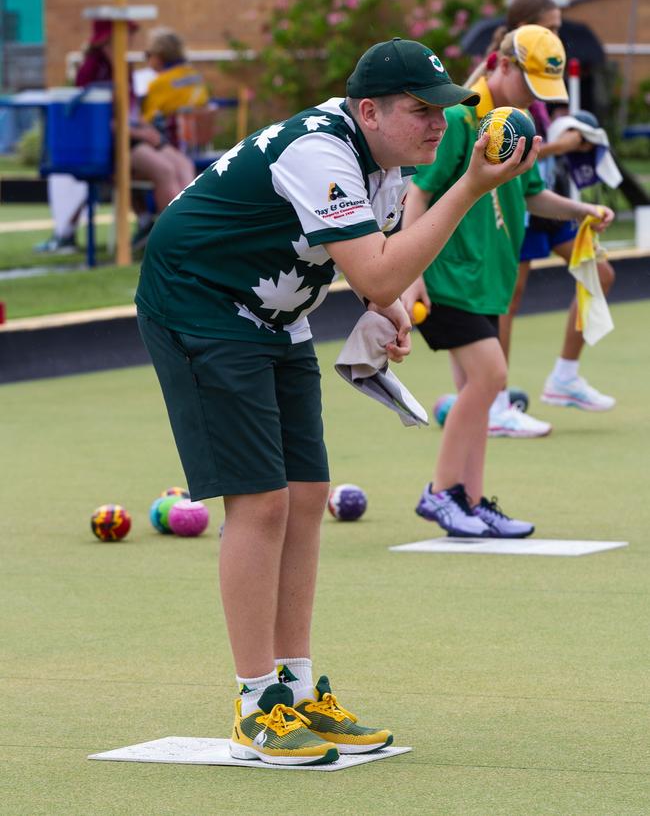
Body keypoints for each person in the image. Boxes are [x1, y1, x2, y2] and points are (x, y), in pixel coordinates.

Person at [135, 37, 539, 766]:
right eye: (421, 111)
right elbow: (381, 274)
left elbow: (373, 267)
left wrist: (380, 304)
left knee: (307, 489)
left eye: (443, 110)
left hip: (271, 311)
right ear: (368, 111)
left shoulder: (383, 159)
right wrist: (470, 188)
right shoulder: (320, 150)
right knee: (259, 501)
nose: (439, 126)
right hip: (197, 302)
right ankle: (256, 705)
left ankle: (292, 689)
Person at [401, 25, 614, 539]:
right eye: (530, 84)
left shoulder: (516, 125)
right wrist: (409, 275)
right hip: (448, 273)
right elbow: (417, 193)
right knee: (491, 378)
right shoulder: (458, 119)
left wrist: (584, 209)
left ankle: (471, 502)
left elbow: (535, 195)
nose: (537, 100)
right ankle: (441, 494)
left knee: (480, 391)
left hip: (487, 279)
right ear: (502, 65)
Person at [472, 0, 616, 424]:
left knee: (600, 272)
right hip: (515, 199)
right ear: (523, 28)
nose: (556, 35)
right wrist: (563, 143)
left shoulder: (543, 69)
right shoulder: (499, 72)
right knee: (507, 301)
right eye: (549, 27)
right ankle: (495, 401)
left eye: (558, 27)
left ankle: (564, 377)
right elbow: (499, 145)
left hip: (540, 188)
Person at [78, 19, 196, 249]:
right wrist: (140, 133)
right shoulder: (92, 69)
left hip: (133, 135)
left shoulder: (124, 68)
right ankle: (174, 239)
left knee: (184, 165)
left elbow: (131, 112)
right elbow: (96, 121)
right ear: (107, 39)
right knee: (165, 170)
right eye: (125, 35)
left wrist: (145, 129)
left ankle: (193, 228)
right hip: (111, 143)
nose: (130, 41)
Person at [140, 26, 210, 149]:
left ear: (159, 55)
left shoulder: (159, 83)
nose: (147, 59)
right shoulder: (194, 74)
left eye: (148, 54)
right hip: (198, 144)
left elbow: (146, 121)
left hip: (171, 144)